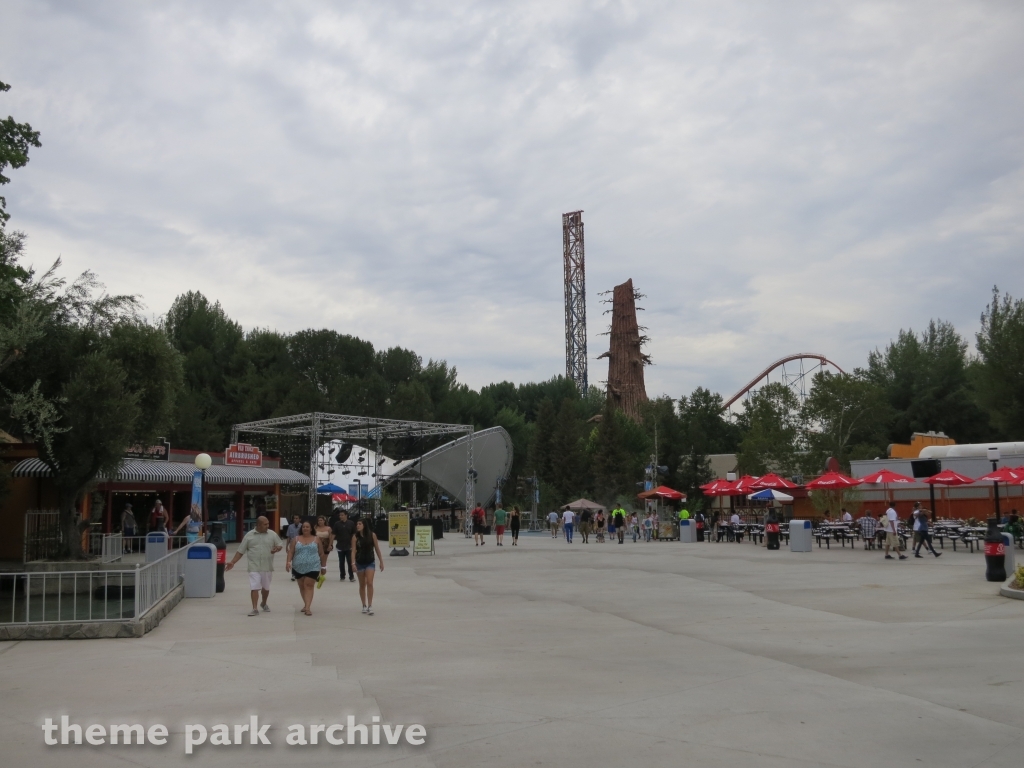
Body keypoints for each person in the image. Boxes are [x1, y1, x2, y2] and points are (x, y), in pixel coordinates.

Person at [225, 516, 283, 616]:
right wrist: (233, 562)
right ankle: (254, 608)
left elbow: (279, 544)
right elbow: (240, 551)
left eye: (268, 524)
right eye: (265, 524)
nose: (267, 526)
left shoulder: (272, 534)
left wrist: (277, 549)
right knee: (254, 587)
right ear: (258, 525)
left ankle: (263, 603)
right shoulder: (249, 536)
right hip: (254, 566)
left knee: (266, 588)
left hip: (267, 566)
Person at [285, 520, 327, 615]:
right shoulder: (296, 539)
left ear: (311, 528)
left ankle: (308, 608)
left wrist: (323, 566)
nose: (305, 528)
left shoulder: (316, 539)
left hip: (313, 566)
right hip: (298, 566)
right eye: (303, 527)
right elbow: (291, 552)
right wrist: (288, 562)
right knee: (302, 586)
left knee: (308, 585)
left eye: (307, 527)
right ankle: (305, 604)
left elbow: (321, 553)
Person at [351, 519, 385, 615]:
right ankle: (364, 605)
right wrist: (353, 563)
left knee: (369, 582)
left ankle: (370, 605)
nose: (357, 525)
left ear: (364, 525)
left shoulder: (372, 535)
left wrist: (381, 561)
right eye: (357, 524)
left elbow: (377, 549)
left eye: (359, 524)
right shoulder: (355, 537)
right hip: (360, 562)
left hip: (370, 561)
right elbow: (353, 550)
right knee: (362, 584)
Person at [331, 510, 356, 581]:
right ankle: (342, 576)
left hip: (349, 546)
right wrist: (330, 544)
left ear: (346, 515)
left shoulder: (351, 523)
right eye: (340, 515)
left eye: (342, 515)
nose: (340, 516)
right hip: (340, 546)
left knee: (350, 561)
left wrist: (354, 544)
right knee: (341, 562)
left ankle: (351, 576)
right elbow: (333, 534)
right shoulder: (337, 524)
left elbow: (354, 534)